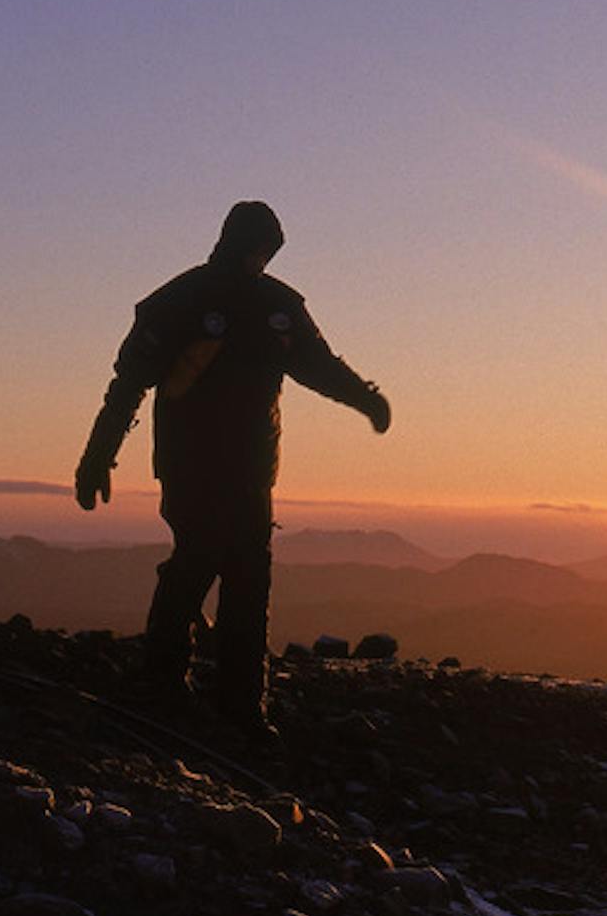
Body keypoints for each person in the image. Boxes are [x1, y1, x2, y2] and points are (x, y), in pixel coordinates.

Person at [74, 200, 390, 735]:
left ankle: (236, 705)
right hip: (193, 464)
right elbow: (129, 383)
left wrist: (365, 399)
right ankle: (176, 687)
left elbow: (317, 365)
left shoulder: (271, 307)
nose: (259, 258)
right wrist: (96, 458)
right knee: (204, 562)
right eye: (258, 248)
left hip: (248, 469)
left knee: (244, 575)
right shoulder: (186, 303)